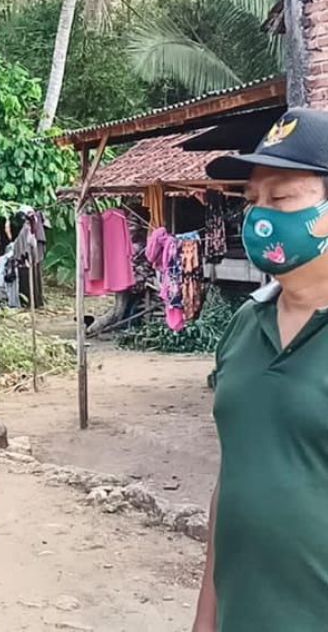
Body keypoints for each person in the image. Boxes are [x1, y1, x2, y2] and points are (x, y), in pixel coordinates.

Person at [193, 108, 328, 632]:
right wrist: (207, 617)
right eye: (252, 201)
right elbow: (233, 479)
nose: (261, 217)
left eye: (282, 198)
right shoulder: (245, 327)